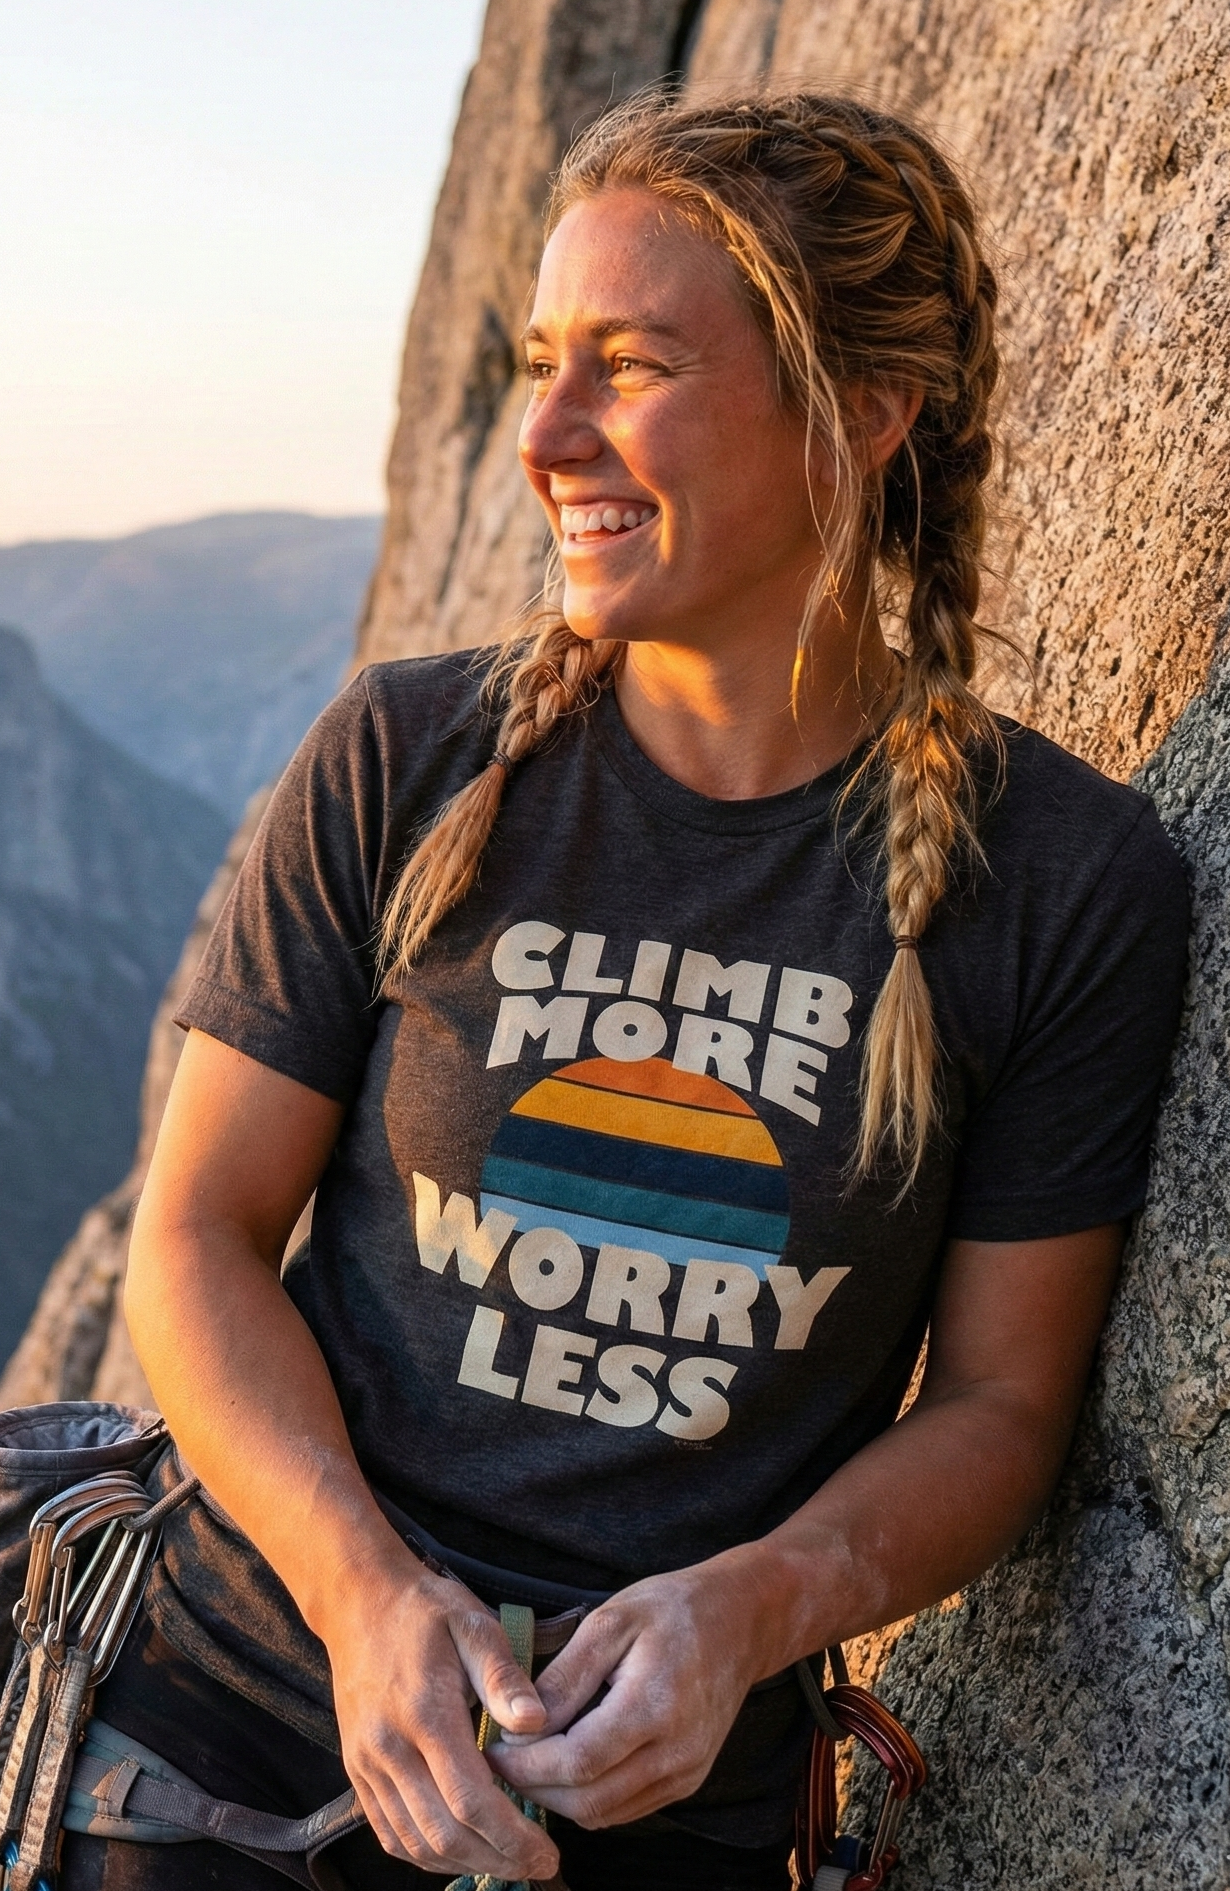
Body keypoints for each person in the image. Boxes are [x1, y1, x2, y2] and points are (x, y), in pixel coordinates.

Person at [67, 93, 1190, 1891]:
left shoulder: (1059, 880)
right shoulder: (404, 758)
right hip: (240, 1745)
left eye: (631, 365)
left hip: (664, 1805)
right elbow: (195, 1235)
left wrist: (753, 1609)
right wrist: (366, 1601)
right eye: (536, 364)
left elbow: (997, 1404)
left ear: (862, 412)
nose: (549, 434)